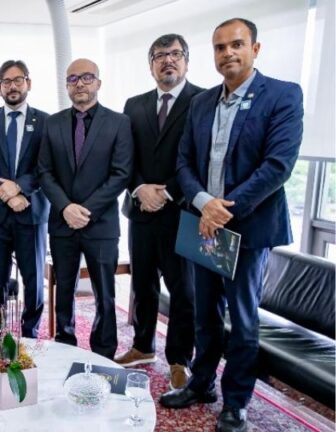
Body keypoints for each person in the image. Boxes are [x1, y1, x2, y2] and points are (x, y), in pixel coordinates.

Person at [161, 18, 303, 432]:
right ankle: (202, 383)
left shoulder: (282, 95)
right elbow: (184, 162)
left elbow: (277, 166)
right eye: (220, 47)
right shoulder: (202, 102)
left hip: (249, 230)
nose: (228, 53)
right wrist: (204, 203)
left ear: (255, 49)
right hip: (204, 226)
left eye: (237, 44)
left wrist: (222, 209)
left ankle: (236, 401)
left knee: (242, 320)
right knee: (204, 313)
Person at [116, 34, 203, 390]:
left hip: (181, 212)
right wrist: (140, 189)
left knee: (183, 290)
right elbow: (125, 156)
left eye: (175, 54)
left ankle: (180, 358)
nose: (168, 60)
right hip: (141, 210)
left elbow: (200, 157)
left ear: (186, 61)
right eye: (160, 55)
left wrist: (167, 191)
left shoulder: (203, 101)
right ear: (150, 64)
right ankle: (142, 345)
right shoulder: (134, 105)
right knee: (143, 282)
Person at [37, 58, 133, 359]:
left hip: (101, 224)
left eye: (87, 77)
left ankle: (103, 353)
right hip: (62, 222)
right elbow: (44, 172)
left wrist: (85, 210)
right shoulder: (52, 123)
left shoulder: (119, 123)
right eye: (73, 78)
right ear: (66, 86)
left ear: (98, 83)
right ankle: (64, 346)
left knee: (104, 293)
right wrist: (66, 207)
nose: (80, 83)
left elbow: (121, 174)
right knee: (63, 290)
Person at [0, 60, 49, 338]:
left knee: (34, 279)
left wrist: (19, 188)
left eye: (18, 80)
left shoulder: (46, 121)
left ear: (28, 83)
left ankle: (30, 333)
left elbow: (45, 165)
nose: (12, 86)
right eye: (6, 81)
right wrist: (7, 194)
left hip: (31, 209)